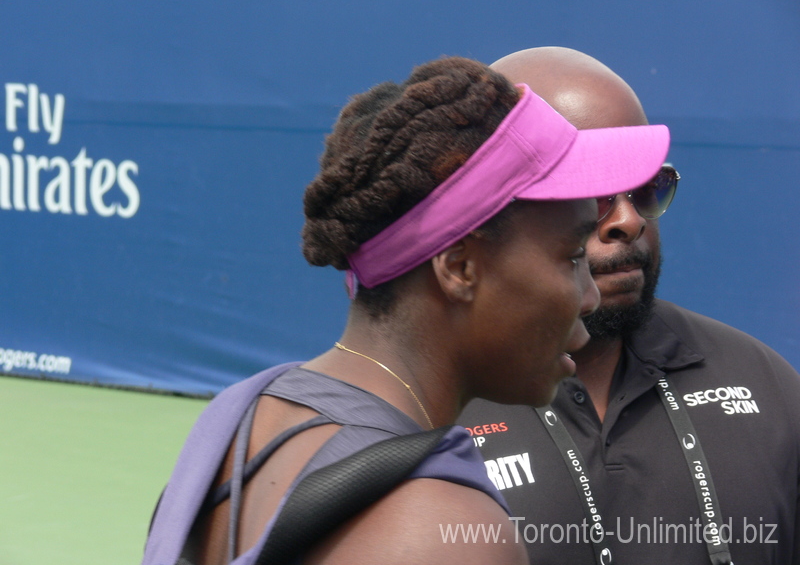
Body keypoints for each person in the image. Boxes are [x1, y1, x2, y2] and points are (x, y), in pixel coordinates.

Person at [141, 56, 669, 565]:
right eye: (573, 256)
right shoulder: (443, 532)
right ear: (459, 266)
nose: (591, 296)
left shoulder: (241, 416)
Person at [459, 47, 800, 565]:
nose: (629, 220)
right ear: (491, 204)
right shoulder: (429, 405)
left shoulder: (764, 385)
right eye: (593, 192)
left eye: (645, 189)